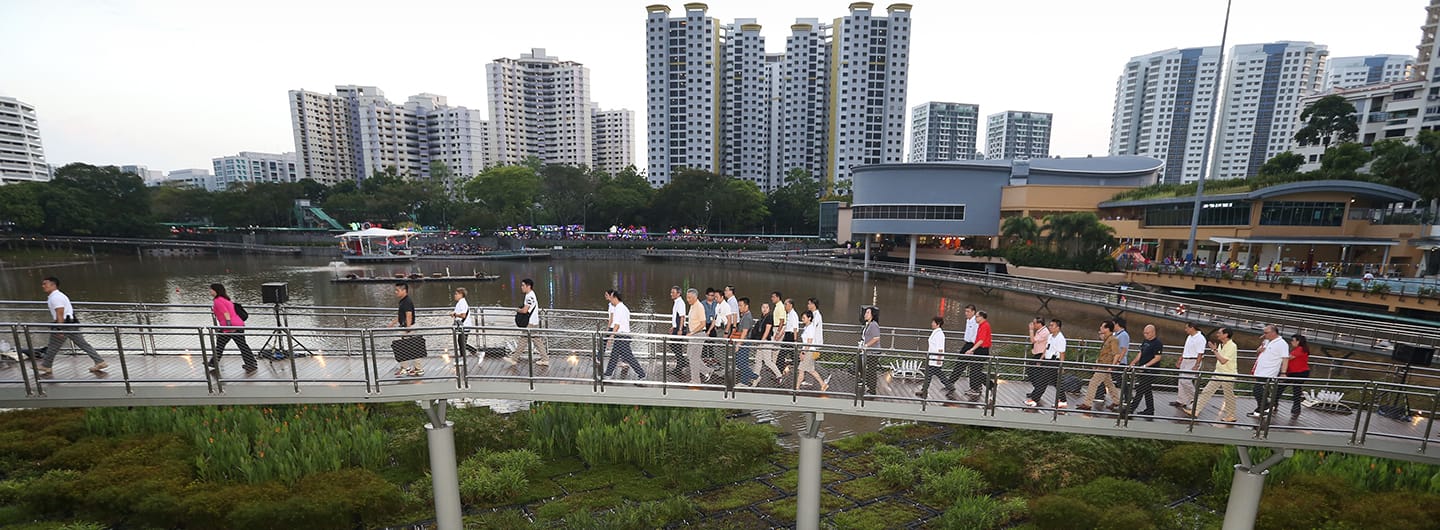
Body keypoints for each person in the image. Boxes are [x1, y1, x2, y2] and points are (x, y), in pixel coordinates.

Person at [37, 276, 107, 376]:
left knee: (53, 346)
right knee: (82, 344)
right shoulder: (56, 296)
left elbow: (60, 313)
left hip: (64, 323)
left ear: (53, 285)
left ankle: (46, 366)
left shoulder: (56, 297)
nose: (43, 286)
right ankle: (100, 362)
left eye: (45, 284)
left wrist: (59, 328)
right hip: (70, 323)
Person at [1185, 327, 1238, 422]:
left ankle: (1231, 416)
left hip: (1227, 375)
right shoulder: (1221, 345)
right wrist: (1215, 350)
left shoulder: (1232, 346)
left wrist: (1214, 350)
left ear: (1225, 335)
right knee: (1206, 391)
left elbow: (1223, 361)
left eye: (1219, 333)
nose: (1217, 335)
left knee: (1228, 396)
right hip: (1218, 373)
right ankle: (1195, 411)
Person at [206, 283, 257, 373]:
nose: (210, 291)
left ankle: (213, 362)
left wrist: (229, 326)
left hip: (229, 326)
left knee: (222, 344)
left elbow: (225, 313)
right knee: (241, 344)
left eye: (211, 289)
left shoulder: (218, 301)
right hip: (238, 324)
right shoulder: (226, 299)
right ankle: (251, 362)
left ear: (216, 290)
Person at [1077, 320, 1121, 411]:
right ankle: (1117, 401)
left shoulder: (1113, 340)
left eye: (1102, 327)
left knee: (1093, 383)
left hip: (1105, 366)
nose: (1100, 328)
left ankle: (1087, 403)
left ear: (1107, 329)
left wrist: (1111, 367)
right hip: (1102, 365)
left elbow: (1116, 354)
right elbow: (1104, 353)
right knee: (1109, 384)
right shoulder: (1107, 339)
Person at [1250, 325, 1290, 418]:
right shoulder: (1266, 341)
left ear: (1273, 333)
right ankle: (1261, 409)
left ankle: (1265, 407)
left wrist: (1283, 373)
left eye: (1266, 333)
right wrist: (1259, 350)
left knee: (1258, 390)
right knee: (1261, 391)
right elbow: (1258, 350)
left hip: (1269, 371)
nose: (1264, 335)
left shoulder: (1282, 343)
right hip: (1260, 369)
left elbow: (1285, 358)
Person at [602, 290, 644, 380]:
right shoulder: (623, 307)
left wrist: (610, 338)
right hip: (623, 336)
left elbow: (617, 325)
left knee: (629, 357)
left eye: (611, 298)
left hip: (622, 336)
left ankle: (642, 374)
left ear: (614, 297)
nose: (610, 301)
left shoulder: (619, 308)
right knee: (614, 356)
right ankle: (608, 375)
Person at [1126, 324, 1163, 415]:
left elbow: (1157, 357)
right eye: (1144, 333)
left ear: (1153, 332)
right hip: (1143, 370)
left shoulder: (1157, 343)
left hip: (1151, 371)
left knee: (1141, 389)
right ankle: (1150, 409)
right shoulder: (1145, 341)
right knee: (1147, 390)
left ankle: (1131, 409)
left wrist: (1146, 366)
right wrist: (1133, 363)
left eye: (1147, 333)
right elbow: (1141, 353)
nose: (1145, 335)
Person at [958, 307, 995, 399]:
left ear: (982, 317)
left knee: (976, 370)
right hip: (979, 350)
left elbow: (981, 340)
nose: (976, 318)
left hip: (982, 350)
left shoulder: (984, 326)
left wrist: (971, 349)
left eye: (977, 317)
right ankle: (976, 387)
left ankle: (988, 386)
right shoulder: (981, 326)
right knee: (974, 370)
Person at [390, 282, 421, 376]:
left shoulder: (407, 301)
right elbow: (401, 315)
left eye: (397, 290)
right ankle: (408, 367)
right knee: (404, 347)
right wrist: (392, 323)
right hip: (405, 327)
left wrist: (408, 328)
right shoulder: (403, 301)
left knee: (408, 347)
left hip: (408, 328)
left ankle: (414, 368)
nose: (396, 292)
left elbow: (409, 315)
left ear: (404, 290)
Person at [1172, 322, 1206, 408]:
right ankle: (1181, 400)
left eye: (1187, 328)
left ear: (1192, 328)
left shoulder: (1200, 338)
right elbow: (1185, 350)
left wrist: (1197, 365)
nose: (1185, 330)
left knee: (1185, 380)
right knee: (1181, 381)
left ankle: (1195, 398)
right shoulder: (1189, 337)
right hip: (1186, 359)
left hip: (1193, 360)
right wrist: (1180, 360)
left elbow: (1200, 353)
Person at [516, 278, 548, 366]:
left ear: (528, 286)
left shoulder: (529, 296)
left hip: (530, 322)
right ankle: (545, 359)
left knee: (523, 340)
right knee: (537, 340)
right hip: (534, 321)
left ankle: (514, 359)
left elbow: (525, 310)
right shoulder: (531, 294)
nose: (521, 287)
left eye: (523, 285)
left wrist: (518, 310)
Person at [685, 288, 714, 383]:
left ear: (695, 297)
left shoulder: (699, 307)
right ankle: (707, 371)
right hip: (693, 335)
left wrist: (692, 333)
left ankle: (696, 380)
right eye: (687, 297)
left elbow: (703, 323)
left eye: (689, 298)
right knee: (691, 356)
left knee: (693, 358)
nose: (687, 299)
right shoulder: (692, 306)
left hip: (698, 334)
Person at [795, 311, 827, 391]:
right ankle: (823, 384)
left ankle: (796, 388)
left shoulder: (810, 328)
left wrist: (803, 353)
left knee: (802, 370)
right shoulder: (807, 327)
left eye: (804, 318)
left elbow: (809, 342)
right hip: (808, 351)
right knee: (810, 370)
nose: (802, 319)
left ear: (809, 318)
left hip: (808, 352)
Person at [752, 302, 781, 385]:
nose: (764, 309)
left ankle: (779, 376)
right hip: (761, 342)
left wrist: (762, 341)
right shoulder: (762, 318)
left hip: (766, 342)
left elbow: (767, 330)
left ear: (769, 309)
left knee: (768, 361)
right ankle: (755, 378)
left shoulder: (769, 317)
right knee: (757, 360)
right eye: (763, 307)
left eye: (766, 307)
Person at [917, 316, 946, 398]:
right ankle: (950, 386)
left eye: (933, 322)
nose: (932, 324)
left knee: (930, 375)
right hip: (932, 357)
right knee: (937, 375)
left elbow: (940, 348)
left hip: (935, 358)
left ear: (938, 324)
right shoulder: (935, 332)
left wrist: (939, 359)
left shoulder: (940, 334)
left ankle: (924, 390)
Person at [1283, 334, 1311, 415]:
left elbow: (1288, 358)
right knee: (1294, 388)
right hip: (1295, 372)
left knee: (1295, 389)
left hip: (1299, 372)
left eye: (1293, 340)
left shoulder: (1300, 349)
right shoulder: (1299, 349)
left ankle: (1296, 408)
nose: (1291, 342)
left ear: (1298, 341)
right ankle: (1295, 408)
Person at [1023, 317, 1049, 405]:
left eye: (1034, 323)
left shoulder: (1044, 332)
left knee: (1035, 374)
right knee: (1031, 372)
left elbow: (1032, 340)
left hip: (1041, 355)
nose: (1033, 325)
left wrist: (1030, 330)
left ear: (1039, 324)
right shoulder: (1040, 331)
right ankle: (1036, 390)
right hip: (1037, 354)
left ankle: (1037, 391)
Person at [858, 306, 882, 395]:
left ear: (872, 315)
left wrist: (866, 345)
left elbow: (876, 338)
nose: (865, 314)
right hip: (866, 351)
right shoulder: (867, 324)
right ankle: (866, 383)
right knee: (861, 364)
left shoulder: (874, 324)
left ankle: (872, 390)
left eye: (868, 313)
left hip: (873, 352)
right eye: (865, 312)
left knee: (872, 370)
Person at [734, 297, 757, 385]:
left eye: (741, 305)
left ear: (746, 306)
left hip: (744, 342)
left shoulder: (747, 317)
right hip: (744, 342)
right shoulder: (745, 315)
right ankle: (744, 382)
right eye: (738, 305)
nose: (739, 307)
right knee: (743, 363)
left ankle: (755, 377)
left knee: (741, 363)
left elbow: (745, 332)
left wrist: (738, 344)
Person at [451, 287, 478, 356]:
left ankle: (465, 357)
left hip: (464, 326)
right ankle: (472, 352)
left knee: (461, 342)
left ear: (461, 294)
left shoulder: (462, 302)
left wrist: (454, 314)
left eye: (456, 294)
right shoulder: (461, 302)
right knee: (461, 342)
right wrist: (454, 314)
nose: (455, 295)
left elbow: (463, 315)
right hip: (464, 326)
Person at [669, 286, 688, 374]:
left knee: (676, 346)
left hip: (680, 329)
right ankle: (682, 362)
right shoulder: (676, 302)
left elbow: (682, 316)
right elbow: (676, 316)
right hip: (676, 327)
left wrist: (680, 329)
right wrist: (673, 326)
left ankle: (680, 365)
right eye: (671, 292)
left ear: (678, 293)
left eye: (673, 292)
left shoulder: (680, 303)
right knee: (674, 346)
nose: (671, 294)